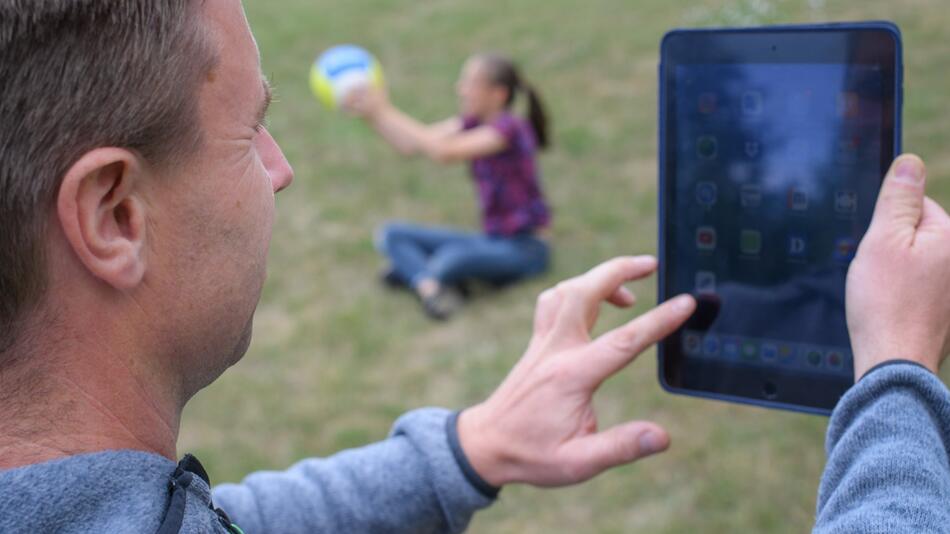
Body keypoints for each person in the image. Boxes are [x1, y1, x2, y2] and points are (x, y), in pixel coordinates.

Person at [0, 2, 947, 534]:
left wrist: (467, 448)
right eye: (252, 129)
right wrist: (898, 372)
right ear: (115, 216)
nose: (282, 171)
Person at [345, 53, 553, 320]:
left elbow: (444, 152)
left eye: (470, 83)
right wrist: (372, 115)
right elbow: (411, 145)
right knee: (391, 235)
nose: (461, 89)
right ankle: (431, 282)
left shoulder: (509, 129)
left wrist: (385, 109)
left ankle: (421, 278)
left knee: (454, 257)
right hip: (491, 240)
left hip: (526, 248)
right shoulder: (471, 123)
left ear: (498, 94)